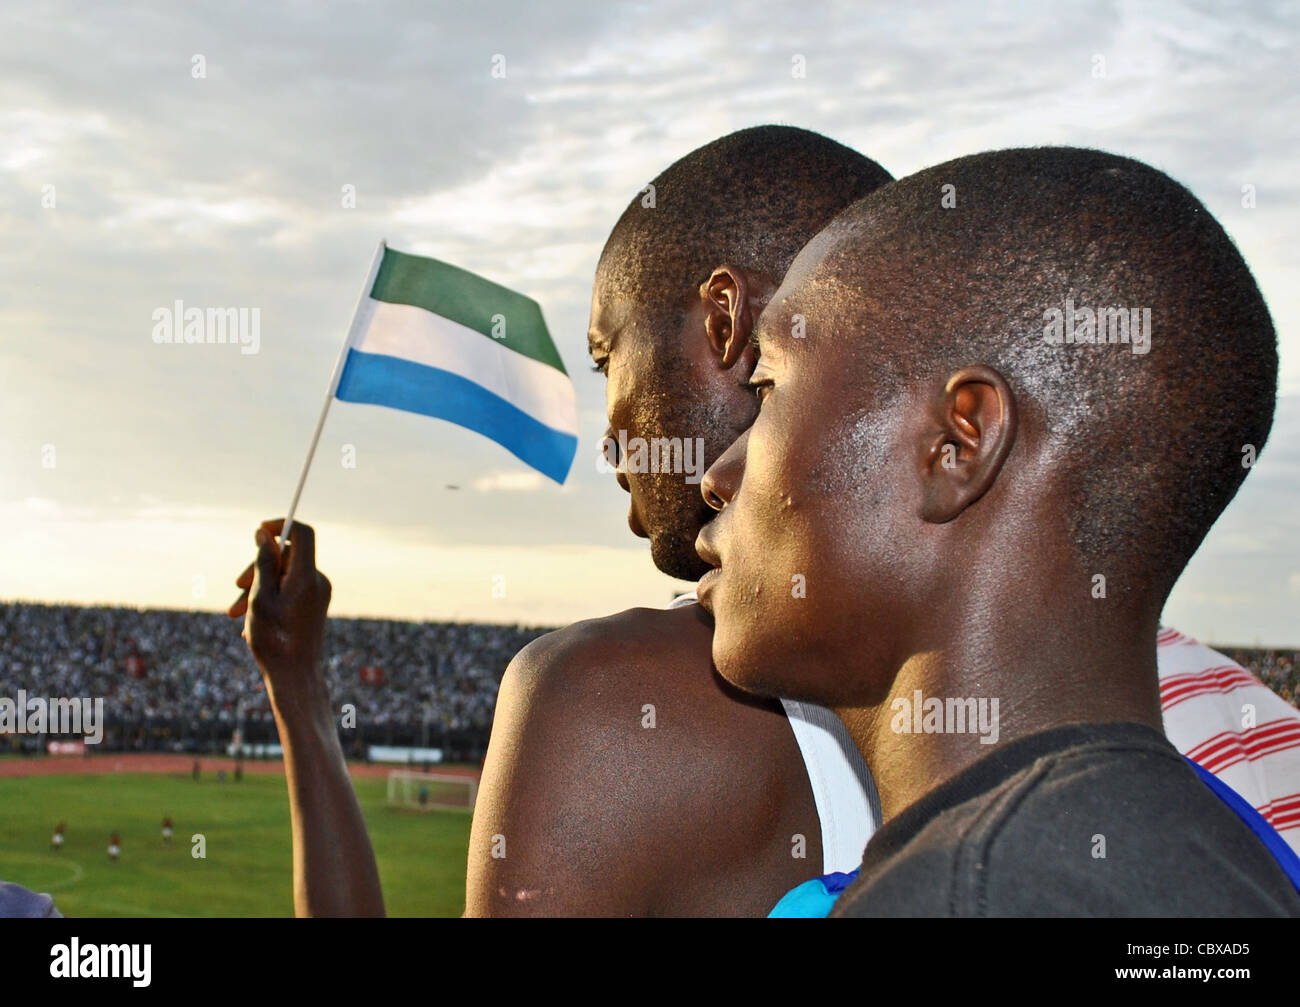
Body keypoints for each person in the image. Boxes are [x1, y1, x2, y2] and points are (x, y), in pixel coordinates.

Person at [231, 126, 894, 917]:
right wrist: (301, 684)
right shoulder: (1017, 683)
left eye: (605, 357)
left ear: (724, 321)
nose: (610, 432)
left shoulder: (601, 698)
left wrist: (303, 700)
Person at [694, 146, 1300, 916]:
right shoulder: (1237, 859)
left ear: (957, 445)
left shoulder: (966, 893)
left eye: (768, 385)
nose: (718, 474)